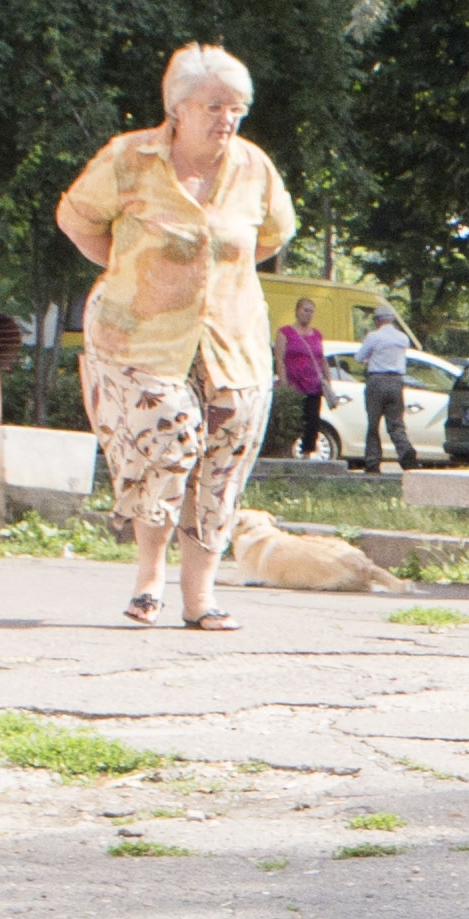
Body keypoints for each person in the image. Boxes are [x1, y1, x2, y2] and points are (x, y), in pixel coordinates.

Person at [56, 42, 300, 633]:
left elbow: (272, 236)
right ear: (178, 109)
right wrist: (130, 269)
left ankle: (201, 597)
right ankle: (148, 577)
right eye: (215, 106)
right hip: (139, 339)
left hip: (231, 340)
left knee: (222, 464)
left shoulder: (253, 167)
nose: (228, 119)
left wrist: (214, 270)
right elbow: (76, 218)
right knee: (168, 441)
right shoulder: (129, 158)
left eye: (237, 107)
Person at [356, 302, 421, 471]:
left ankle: (372, 462)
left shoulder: (373, 336)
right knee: (396, 424)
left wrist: (370, 357)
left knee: (373, 424)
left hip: (376, 381)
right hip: (396, 383)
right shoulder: (402, 338)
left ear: (378, 320)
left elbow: (359, 357)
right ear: (392, 320)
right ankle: (406, 454)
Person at [275, 305, 330, 460]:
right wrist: (284, 383)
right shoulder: (285, 333)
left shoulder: (317, 334)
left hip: (313, 385)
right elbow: (279, 359)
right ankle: (286, 452)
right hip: (294, 384)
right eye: (305, 310)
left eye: (311, 311)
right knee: (292, 420)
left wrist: (327, 382)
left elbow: (322, 359)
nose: (308, 314)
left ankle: (307, 453)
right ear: (297, 311)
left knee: (312, 420)